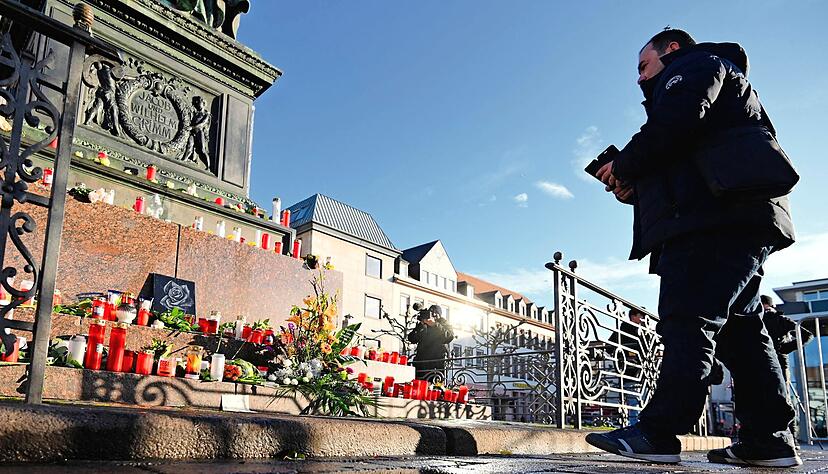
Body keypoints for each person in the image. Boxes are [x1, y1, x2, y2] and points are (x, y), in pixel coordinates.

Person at [585, 28, 799, 467]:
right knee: (741, 332)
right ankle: (770, 440)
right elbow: (684, 150)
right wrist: (634, 184)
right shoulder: (703, 83)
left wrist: (624, 164)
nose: (639, 79)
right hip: (733, 216)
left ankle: (659, 432)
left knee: (688, 319)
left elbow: (675, 125)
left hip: (714, 220)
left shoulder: (696, 67)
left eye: (643, 66)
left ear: (671, 51)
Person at [407, 305, 455, 381]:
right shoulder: (423, 324)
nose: (432, 315)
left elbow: (449, 336)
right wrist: (421, 326)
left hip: (437, 362)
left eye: (434, 313)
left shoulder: (443, 323)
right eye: (430, 313)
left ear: (438, 315)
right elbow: (411, 338)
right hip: (421, 362)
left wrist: (434, 325)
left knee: (435, 387)